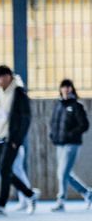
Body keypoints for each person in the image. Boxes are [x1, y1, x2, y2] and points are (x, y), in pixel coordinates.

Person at [0, 65, 39, 216]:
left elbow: (26, 118)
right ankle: (29, 194)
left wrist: (17, 139)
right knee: (4, 170)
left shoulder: (19, 93)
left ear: (8, 77)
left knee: (4, 169)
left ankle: (1, 206)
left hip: (11, 139)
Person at [49, 79, 91, 211]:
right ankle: (87, 193)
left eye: (68, 87)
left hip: (71, 144)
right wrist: (53, 135)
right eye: (64, 87)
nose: (66, 90)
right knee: (64, 173)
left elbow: (84, 125)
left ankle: (61, 200)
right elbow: (54, 123)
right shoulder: (59, 104)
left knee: (62, 173)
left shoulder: (76, 105)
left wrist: (71, 135)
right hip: (60, 144)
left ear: (72, 89)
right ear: (60, 89)